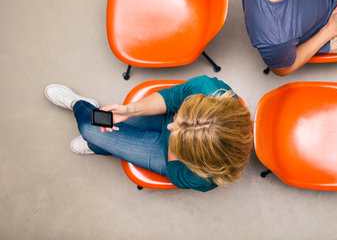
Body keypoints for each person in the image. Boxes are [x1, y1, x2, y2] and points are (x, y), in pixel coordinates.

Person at [44, 75, 253, 192]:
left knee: (90, 130)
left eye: (178, 133)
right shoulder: (206, 89)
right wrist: (129, 111)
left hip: (171, 156)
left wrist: (175, 146)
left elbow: (176, 174)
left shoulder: (205, 176)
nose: (171, 128)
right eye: (180, 119)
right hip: (171, 128)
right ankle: (82, 110)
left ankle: (84, 118)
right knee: (94, 126)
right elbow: (172, 97)